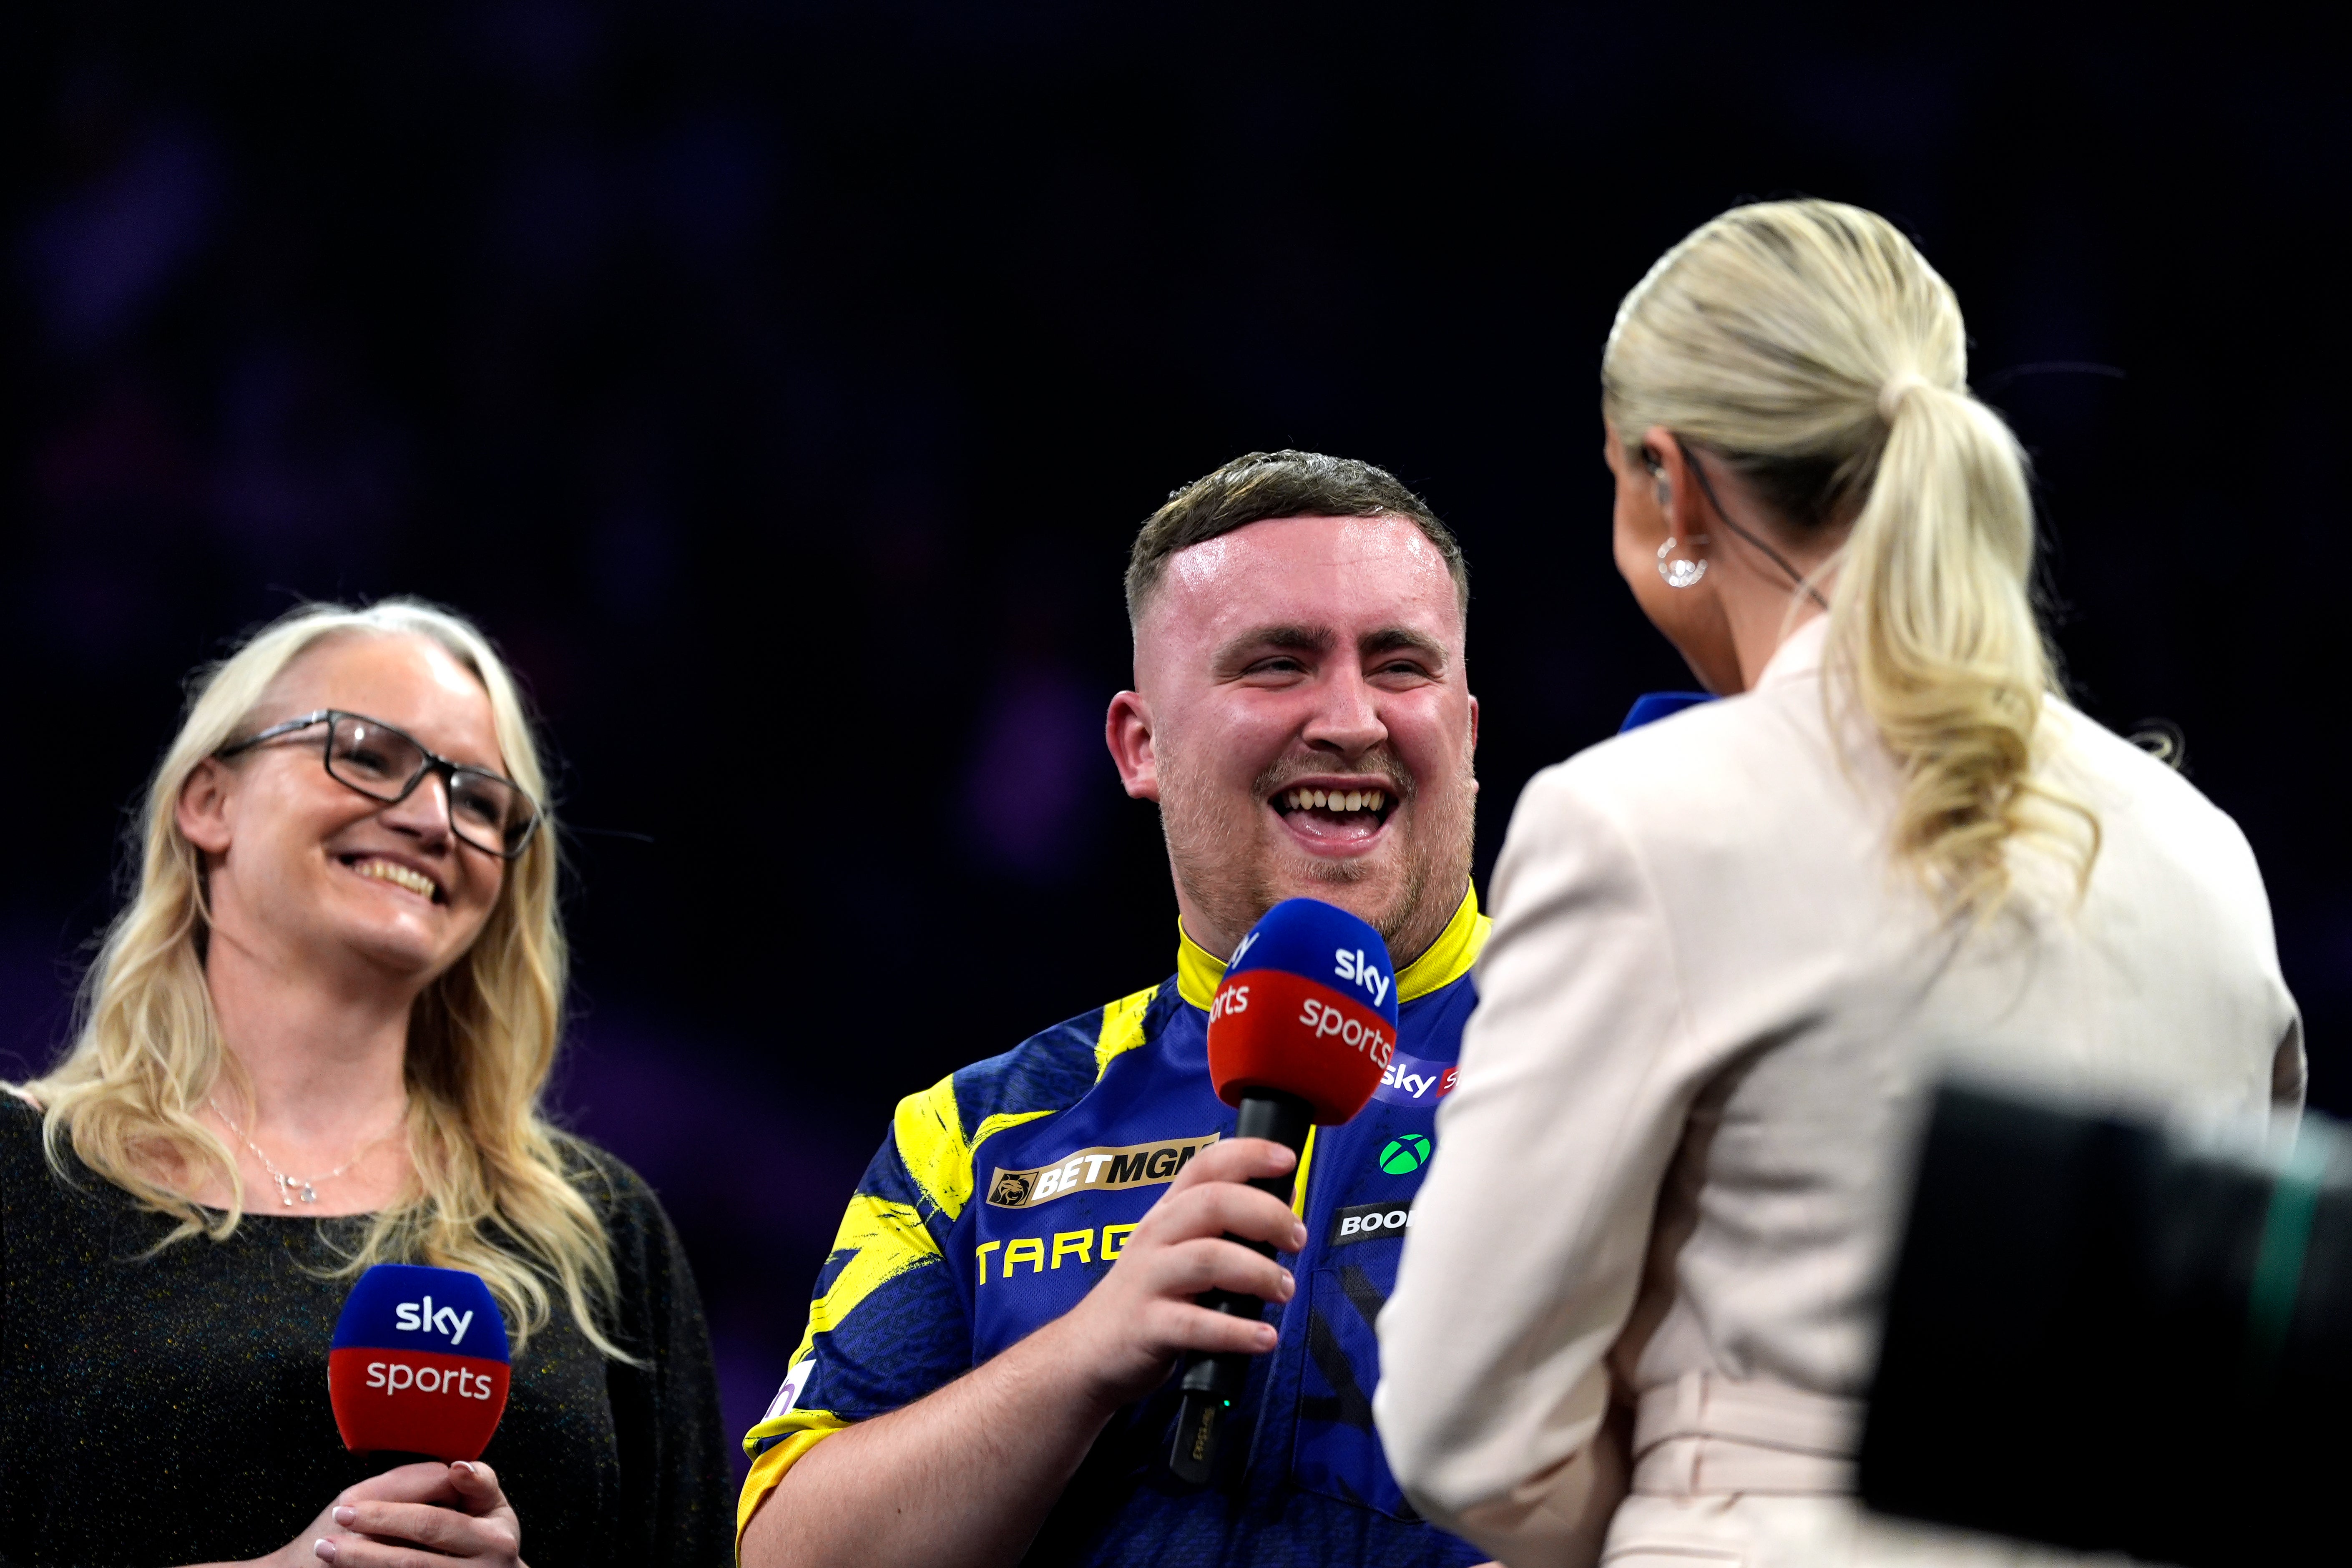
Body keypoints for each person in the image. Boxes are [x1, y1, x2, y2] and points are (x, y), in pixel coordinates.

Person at [1374, 199, 2304, 1568]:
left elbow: (1465, 1432)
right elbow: (2232, 1384)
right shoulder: (2206, 851)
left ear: (1668, 486)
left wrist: (1673, 1510)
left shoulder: (1636, 822)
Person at [738, 451, 1495, 1567]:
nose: (1350, 718)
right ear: (1141, 746)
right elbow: (787, 1552)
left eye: (1399, 665)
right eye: (1277, 664)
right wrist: (1083, 1357)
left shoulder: (1638, 1070)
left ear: (1469, 734)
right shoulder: (975, 1131)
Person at [1, 600, 732, 1567]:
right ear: (209, 800)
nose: (434, 817)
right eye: (368, 754)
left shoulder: (602, 1234)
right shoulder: (20, 1178)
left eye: (481, 801)